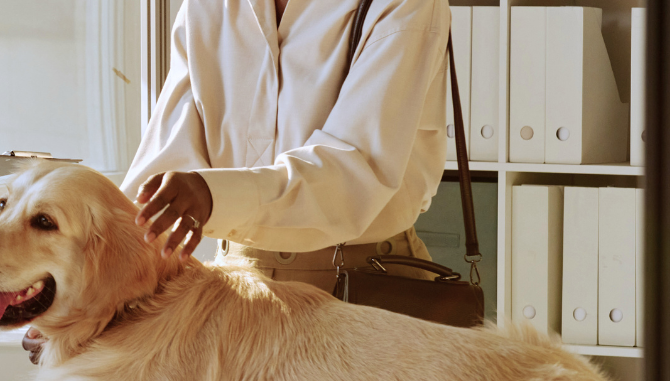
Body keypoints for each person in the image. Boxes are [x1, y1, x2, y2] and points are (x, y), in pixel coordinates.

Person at [23, 0, 451, 360]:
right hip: (234, 290)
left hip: (367, 287)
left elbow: (356, 169)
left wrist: (211, 194)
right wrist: (85, 300)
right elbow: (160, 175)